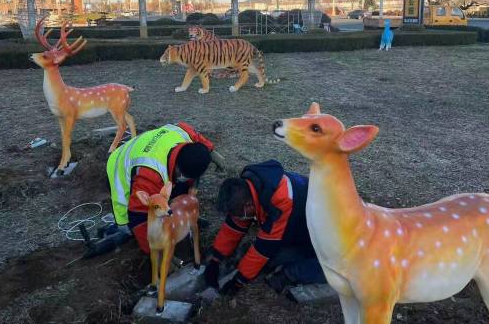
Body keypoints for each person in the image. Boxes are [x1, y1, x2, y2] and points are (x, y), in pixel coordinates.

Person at [89, 122, 214, 257]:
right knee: (130, 224)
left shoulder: (183, 137)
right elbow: (138, 216)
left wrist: (212, 151)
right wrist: (157, 254)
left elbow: (188, 130)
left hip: (143, 152)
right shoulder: (149, 176)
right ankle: (117, 231)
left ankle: (175, 218)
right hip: (119, 166)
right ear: (178, 168)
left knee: (180, 188)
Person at [204, 160, 326, 296]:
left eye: (239, 214)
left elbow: (264, 248)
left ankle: (290, 274)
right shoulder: (249, 190)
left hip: (330, 231)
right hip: (301, 223)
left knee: (330, 268)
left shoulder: (281, 202)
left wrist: (239, 281)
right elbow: (233, 227)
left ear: (249, 206)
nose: (239, 217)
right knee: (269, 260)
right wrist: (215, 261)